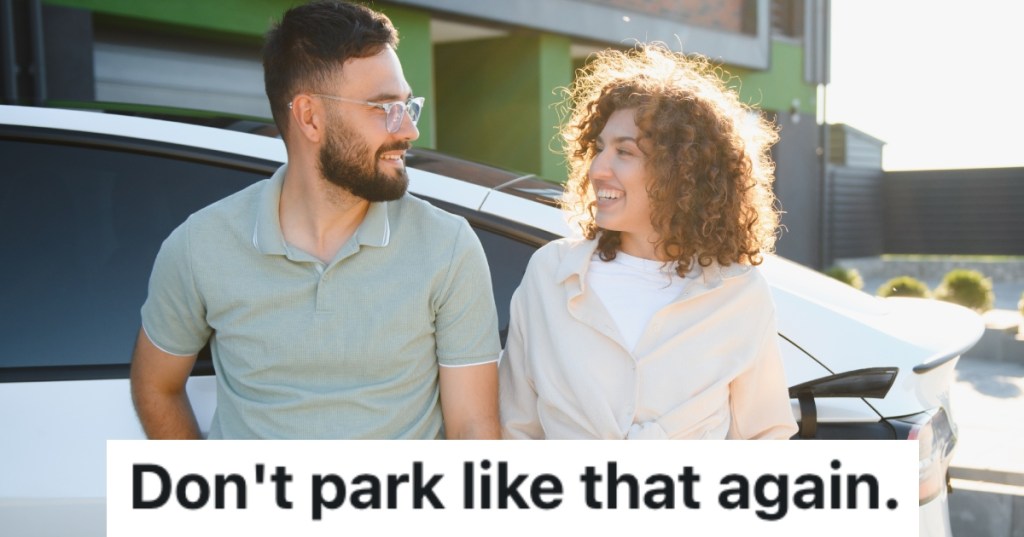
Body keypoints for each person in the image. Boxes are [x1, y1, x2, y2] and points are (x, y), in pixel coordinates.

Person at [130, 0, 501, 440]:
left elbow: (473, 429)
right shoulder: (200, 245)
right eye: (384, 108)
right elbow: (155, 385)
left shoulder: (448, 247)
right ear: (309, 117)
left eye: (408, 105)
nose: (408, 130)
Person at [499, 44, 798, 440]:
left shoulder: (738, 293)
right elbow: (517, 429)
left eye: (624, 151)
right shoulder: (550, 275)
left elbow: (764, 440)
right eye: (599, 148)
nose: (598, 168)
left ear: (682, 172)